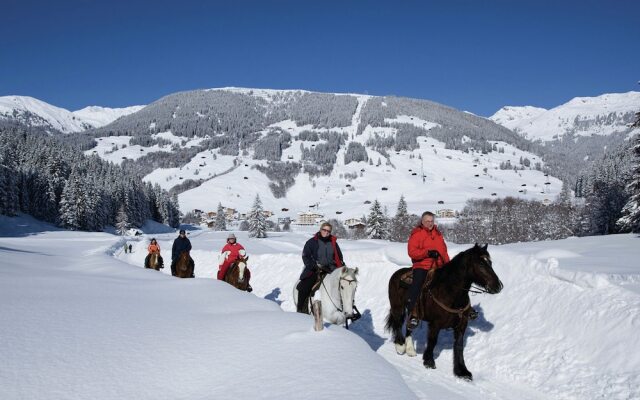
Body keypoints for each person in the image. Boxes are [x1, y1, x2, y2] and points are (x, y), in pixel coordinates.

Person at [406, 211, 450, 329]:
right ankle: (413, 314)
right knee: (418, 284)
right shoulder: (416, 234)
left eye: (431, 221)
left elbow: (444, 251)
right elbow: (412, 252)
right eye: (427, 221)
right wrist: (427, 253)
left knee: (454, 281)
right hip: (422, 265)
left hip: (438, 265)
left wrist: (448, 265)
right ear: (422, 221)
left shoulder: (438, 234)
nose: (430, 223)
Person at [296, 222, 345, 314]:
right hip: (316, 269)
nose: (326, 232)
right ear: (320, 229)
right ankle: (301, 310)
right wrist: (313, 266)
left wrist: (341, 266)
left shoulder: (333, 242)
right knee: (304, 287)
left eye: (328, 231)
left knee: (345, 285)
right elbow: (305, 256)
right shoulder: (312, 242)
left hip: (331, 270)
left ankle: (347, 308)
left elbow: (339, 256)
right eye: (324, 230)